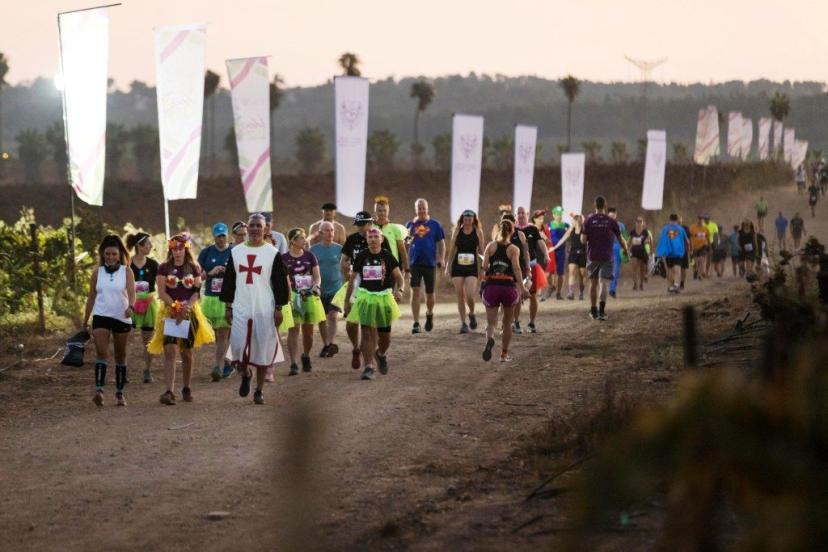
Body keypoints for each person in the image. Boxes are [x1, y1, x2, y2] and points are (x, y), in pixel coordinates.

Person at [219, 213, 290, 405]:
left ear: (265, 228)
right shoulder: (236, 252)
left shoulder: (272, 253)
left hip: (264, 308)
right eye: (252, 225)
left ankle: (259, 390)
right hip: (241, 307)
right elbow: (230, 282)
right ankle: (245, 373)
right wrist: (228, 306)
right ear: (247, 228)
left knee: (262, 351)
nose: (256, 229)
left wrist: (278, 308)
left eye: (259, 225)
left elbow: (280, 283)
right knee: (238, 346)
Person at [148, 234, 215, 405]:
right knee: (170, 350)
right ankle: (169, 391)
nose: (177, 252)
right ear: (170, 249)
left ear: (185, 249)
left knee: (187, 352)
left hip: (189, 312)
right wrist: (175, 307)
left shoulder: (194, 268)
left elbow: (196, 291)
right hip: (170, 313)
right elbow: (162, 292)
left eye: (180, 248)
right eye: (174, 249)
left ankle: (186, 387)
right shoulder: (164, 268)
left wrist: (187, 308)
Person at [344, 227, 404, 380]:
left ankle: (380, 354)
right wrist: (347, 300)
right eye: (370, 237)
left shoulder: (387, 256)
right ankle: (369, 365)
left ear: (381, 239)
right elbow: (353, 279)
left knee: (385, 337)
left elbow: (399, 276)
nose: (372, 239)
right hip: (366, 297)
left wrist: (400, 290)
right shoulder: (362, 256)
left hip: (384, 297)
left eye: (375, 236)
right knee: (366, 333)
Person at [83, 235, 136, 407]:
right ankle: (99, 390)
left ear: (120, 254)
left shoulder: (127, 271)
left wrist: (131, 307)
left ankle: (119, 394)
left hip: (121, 317)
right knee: (101, 353)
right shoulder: (97, 273)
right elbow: (91, 296)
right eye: (107, 254)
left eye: (114, 254)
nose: (110, 257)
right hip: (101, 316)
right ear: (102, 254)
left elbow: (132, 292)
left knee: (120, 355)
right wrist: (86, 320)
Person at [341, 212, 393, 368]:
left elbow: (388, 263)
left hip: (375, 286)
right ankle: (356, 348)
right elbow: (344, 260)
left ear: (371, 223)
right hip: (355, 282)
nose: (361, 228)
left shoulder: (380, 239)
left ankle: (369, 360)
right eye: (359, 225)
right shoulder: (352, 239)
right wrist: (346, 277)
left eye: (364, 224)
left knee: (371, 324)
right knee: (351, 322)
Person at [480, 219, 529, 362]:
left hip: (492, 286)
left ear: (499, 230)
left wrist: (483, 283)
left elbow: (483, 268)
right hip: (508, 286)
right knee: (507, 323)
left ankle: (490, 339)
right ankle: (504, 354)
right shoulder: (514, 249)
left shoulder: (490, 246)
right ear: (512, 232)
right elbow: (516, 269)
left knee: (490, 323)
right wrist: (522, 287)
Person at [281, 228, 326, 375]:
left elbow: (317, 276)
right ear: (292, 240)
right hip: (293, 297)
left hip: (309, 296)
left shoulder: (310, 256)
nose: (304, 240)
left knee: (308, 332)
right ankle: (293, 363)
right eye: (301, 238)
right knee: (293, 330)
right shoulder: (284, 258)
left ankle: (305, 355)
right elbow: (282, 279)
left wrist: (316, 285)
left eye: (305, 237)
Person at [198, 223, 234, 382]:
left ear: (227, 236)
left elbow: (240, 273)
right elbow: (197, 276)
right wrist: (210, 273)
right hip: (211, 298)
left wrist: (228, 272)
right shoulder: (206, 253)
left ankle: (218, 366)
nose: (221, 238)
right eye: (218, 236)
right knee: (218, 335)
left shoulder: (233, 251)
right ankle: (228, 360)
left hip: (228, 298)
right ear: (214, 236)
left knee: (222, 333)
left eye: (223, 235)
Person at [582, 196, 628, 320]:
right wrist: (626, 249)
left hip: (592, 256)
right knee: (604, 284)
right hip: (607, 256)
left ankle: (593, 311)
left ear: (594, 205)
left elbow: (583, 240)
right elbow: (620, 238)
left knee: (593, 283)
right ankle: (602, 312)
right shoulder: (611, 221)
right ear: (605, 205)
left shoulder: (589, 220)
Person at [406, 198, 446, 334]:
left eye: (424, 208)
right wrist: (405, 263)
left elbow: (441, 243)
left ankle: (429, 313)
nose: (421, 210)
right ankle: (416, 322)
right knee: (415, 291)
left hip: (430, 263)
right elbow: (406, 244)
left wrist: (441, 258)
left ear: (427, 209)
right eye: (419, 208)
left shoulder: (435, 224)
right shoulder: (410, 225)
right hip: (414, 264)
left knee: (429, 295)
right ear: (415, 209)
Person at [445, 209, 485, 333]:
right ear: (462, 219)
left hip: (471, 268)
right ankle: (463, 323)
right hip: (458, 266)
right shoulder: (457, 231)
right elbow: (452, 250)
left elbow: (482, 251)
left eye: (470, 219)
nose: (467, 221)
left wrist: (483, 268)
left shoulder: (478, 232)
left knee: (469, 295)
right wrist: (448, 265)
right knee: (460, 296)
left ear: (473, 219)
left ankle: (472, 313)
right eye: (465, 219)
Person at [126, 232, 159, 384]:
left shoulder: (153, 264)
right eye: (147, 244)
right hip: (130, 305)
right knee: (126, 338)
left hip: (148, 305)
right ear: (139, 246)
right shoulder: (127, 264)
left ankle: (147, 370)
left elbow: (161, 284)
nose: (151, 246)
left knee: (148, 340)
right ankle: (123, 369)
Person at [310, 221, 343, 358]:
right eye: (327, 230)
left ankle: (331, 343)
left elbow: (347, 267)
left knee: (333, 316)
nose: (330, 233)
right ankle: (326, 344)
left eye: (332, 230)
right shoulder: (313, 250)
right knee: (322, 319)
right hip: (319, 289)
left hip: (336, 288)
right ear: (321, 233)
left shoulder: (340, 249)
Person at [514, 207, 548, 332]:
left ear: (527, 215)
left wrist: (546, 254)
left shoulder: (533, 229)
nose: (521, 215)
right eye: (519, 213)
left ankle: (532, 323)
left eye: (523, 213)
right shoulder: (512, 229)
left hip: (532, 267)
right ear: (516, 215)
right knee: (516, 295)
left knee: (533, 295)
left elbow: (540, 243)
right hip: (516, 268)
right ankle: (516, 322)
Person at [550, 213, 586, 300]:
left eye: (573, 221)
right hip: (573, 253)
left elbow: (584, 241)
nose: (571, 222)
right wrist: (554, 247)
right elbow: (563, 239)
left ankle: (581, 293)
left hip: (582, 254)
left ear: (577, 221)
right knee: (571, 272)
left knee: (582, 275)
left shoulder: (584, 230)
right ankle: (571, 292)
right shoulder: (571, 230)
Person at [374, 195, 410, 272]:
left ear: (388, 211)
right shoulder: (370, 227)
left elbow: (402, 250)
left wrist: (406, 269)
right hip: (374, 267)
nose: (382, 213)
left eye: (384, 210)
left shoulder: (394, 228)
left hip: (392, 267)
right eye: (380, 210)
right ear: (375, 211)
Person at [656, 214, 689, 294]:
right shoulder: (681, 229)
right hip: (678, 252)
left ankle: (670, 286)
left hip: (668, 253)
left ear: (669, 219)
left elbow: (661, 241)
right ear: (677, 220)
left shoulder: (665, 229)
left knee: (670, 270)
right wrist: (687, 250)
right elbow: (686, 241)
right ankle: (676, 285)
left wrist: (660, 252)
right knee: (677, 269)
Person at [546, 206, 569, 300]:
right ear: (553, 215)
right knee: (549, 272)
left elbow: (570, 237)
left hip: (561, 251)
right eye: (557, 214)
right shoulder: (549, 225)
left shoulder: (566, 225)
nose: (559, 216)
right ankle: (551, 286)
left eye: (560, 214)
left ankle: (558, 293)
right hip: (551, 250)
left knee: (560, 272)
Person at [628, 215, 651, 291]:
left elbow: (649, 240)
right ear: (635, 223)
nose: (639, 223)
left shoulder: (645, 232)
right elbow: (629, 241)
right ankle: (635, 283)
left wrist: (646, 242)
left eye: (640, 221)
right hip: (634, 251)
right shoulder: (632, 231)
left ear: (643, 223)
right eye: (637, 221)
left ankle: (641, 284)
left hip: (642, 251)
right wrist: (626, 249)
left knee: (642, 269)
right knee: (634, 268)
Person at [607, 207, 627, 298]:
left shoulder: (621, 226)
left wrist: (625, 249)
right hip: (606, 248)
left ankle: (612, 289)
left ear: (616, 215)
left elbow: (624, 239)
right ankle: (603, 288)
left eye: (613, 215)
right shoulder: (604, 224)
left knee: (615, 270)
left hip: (617, 247)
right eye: (610, 215)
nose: (612, 217)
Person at [688, 215, 711, 280]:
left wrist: (709, 247)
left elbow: (708, 238)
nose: (700, 221)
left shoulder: (705, 229)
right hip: (694, 247)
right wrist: (689, 245)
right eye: (699, 219)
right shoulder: (692, 228)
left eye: (701, 220)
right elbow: (689, 237)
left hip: (703, 247)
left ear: (703, 221)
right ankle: (695, 271)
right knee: (695, 262)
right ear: (697, 220)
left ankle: (699, 275)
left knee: (701, 261)